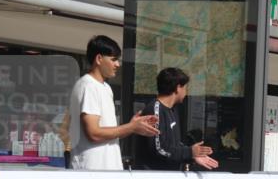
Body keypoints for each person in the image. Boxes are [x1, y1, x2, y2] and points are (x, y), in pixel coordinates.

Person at [69, 35, 158, 171]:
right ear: (99, 59)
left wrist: (134, 126)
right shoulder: (88, 86)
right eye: (113, 59)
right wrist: (131, 127)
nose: (117, 64)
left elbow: (108, 133)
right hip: (92, 171)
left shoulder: (105, 87)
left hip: (107, 170)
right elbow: (93, 133)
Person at [135, 68, 218, 171]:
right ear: (178, 88)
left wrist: (192, 155)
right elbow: (158, 149)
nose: (186, 93)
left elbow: (173, 146)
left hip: (170, 174)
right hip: (153, 176)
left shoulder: (172, 109)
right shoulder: (155, 110)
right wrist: (189, 152)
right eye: (185, 88)